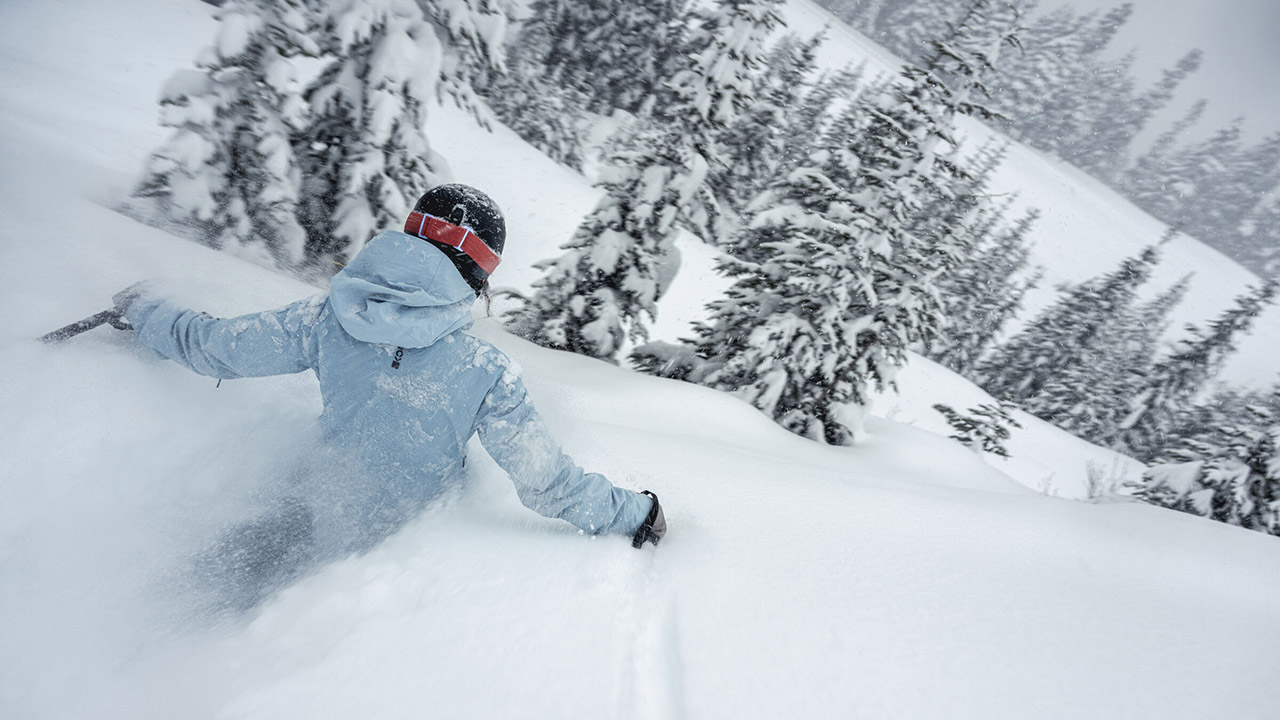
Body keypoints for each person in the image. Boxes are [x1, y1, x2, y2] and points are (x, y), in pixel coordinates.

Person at [114, 183, 665, 610]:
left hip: (308, 508)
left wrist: (143, 311)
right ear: (477, 273)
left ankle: (141, 632)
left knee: (221, 596)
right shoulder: (485, 371)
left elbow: (218, 349)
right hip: (393, 555)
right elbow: (549, 486)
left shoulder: (325, 319)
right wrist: (637, 514)